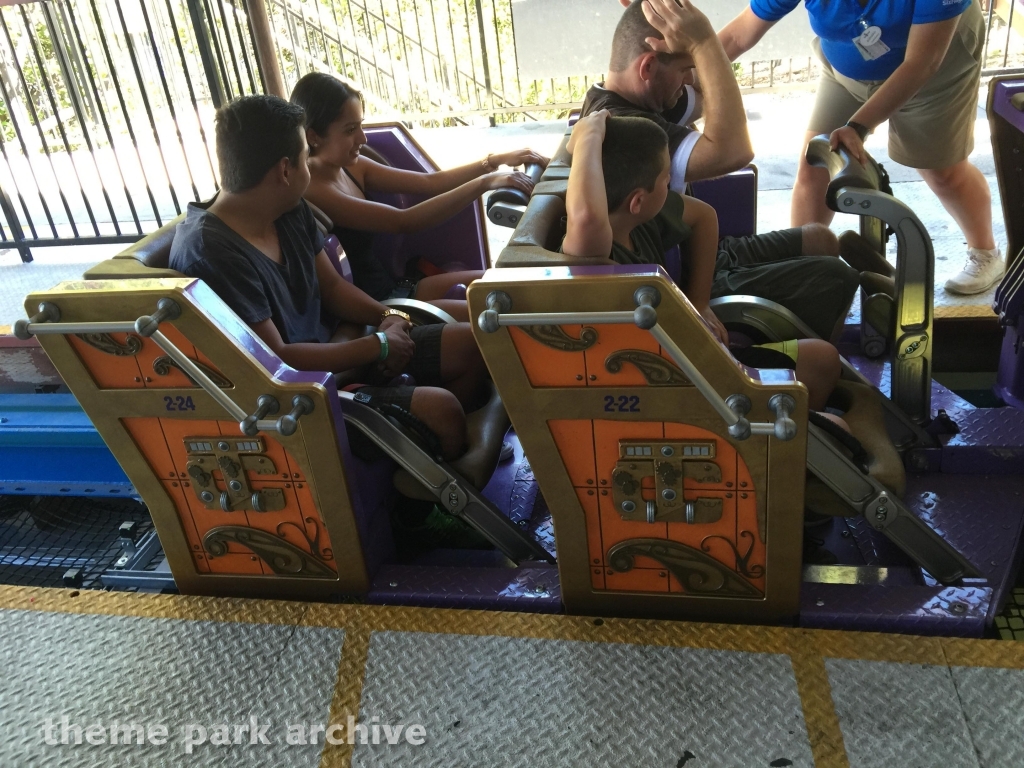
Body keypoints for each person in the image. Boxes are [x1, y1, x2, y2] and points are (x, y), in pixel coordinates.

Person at [168, 95, 488, 460]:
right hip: (306, 395)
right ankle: (419, 502)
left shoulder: (287, 207)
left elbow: (334, 288)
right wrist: (380, 346)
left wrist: (389, 318)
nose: (311, 165)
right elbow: (278, 358)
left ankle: (428, 464)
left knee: (473, 345)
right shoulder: (211, 252)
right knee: (442, 410)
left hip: (346, 348)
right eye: (307, 157)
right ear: (285, 170)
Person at [589, 0, 863, 342]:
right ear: (647, 68)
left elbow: (709, 96)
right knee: (836, 278)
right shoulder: (630, 129)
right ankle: (824, 369)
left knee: (821, 238)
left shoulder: (634, 96)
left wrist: (696, 45)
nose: (690, 80)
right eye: (685, 69)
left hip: (706, 249)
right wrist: (702, 42)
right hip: (688, 275)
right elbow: (735, 150)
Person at [563, 110, 842, 411]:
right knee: (825, 369)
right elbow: (586, 217)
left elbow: (704, 216)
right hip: (671, 385)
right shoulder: (593, 252)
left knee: (821, 360)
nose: (670, 184)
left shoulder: (641, 217)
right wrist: (588, 134)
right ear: (638, 200)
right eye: (666, 179)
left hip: (692, 356)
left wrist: (700, 304)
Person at [719, 0, 1002, 295]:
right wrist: (685, 70)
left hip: (936, 65)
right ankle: (802, 268)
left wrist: (858, 126)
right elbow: (738, 35)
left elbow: (924, 61)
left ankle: (986, 252)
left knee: (942, 171)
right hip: (847, 65)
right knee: (815, 163)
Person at [290, 73, 546, 322]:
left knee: (509, 285)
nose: (363, 138)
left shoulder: (352, 166)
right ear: (313, 136)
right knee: (500, 316)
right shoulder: (313, 187)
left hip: (399, 288)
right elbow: (405, 221)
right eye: (350, 130)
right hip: (380, 308)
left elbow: (429, 183)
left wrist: (493, 161)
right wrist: (486, 183)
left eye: (360, 125)